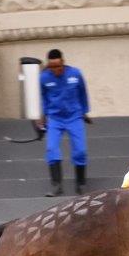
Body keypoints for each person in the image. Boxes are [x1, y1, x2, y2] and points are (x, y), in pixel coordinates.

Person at [38, 48, 91, 197]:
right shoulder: (44, 78)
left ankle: (80, 184)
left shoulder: (75, 74)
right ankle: (56, 185)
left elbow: (83, 93)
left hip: (74, 117)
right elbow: (43, 99)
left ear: (63, 62)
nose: (55, 70)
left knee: (80, 150)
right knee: (51, 148)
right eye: (51, 67)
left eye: (58, 66)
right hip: (55, 118)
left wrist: (84, 111)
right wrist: (42, 117)